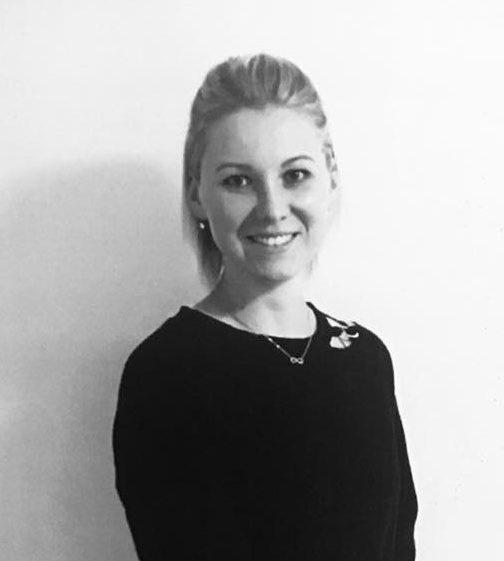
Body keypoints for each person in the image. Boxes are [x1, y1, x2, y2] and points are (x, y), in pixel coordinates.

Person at [112, 53, 418, 561]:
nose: (273, 208)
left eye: (295, 175)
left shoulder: (366, 358)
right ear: (197, 195)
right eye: (238, 180)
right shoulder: (166, 373)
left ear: (330, 178)